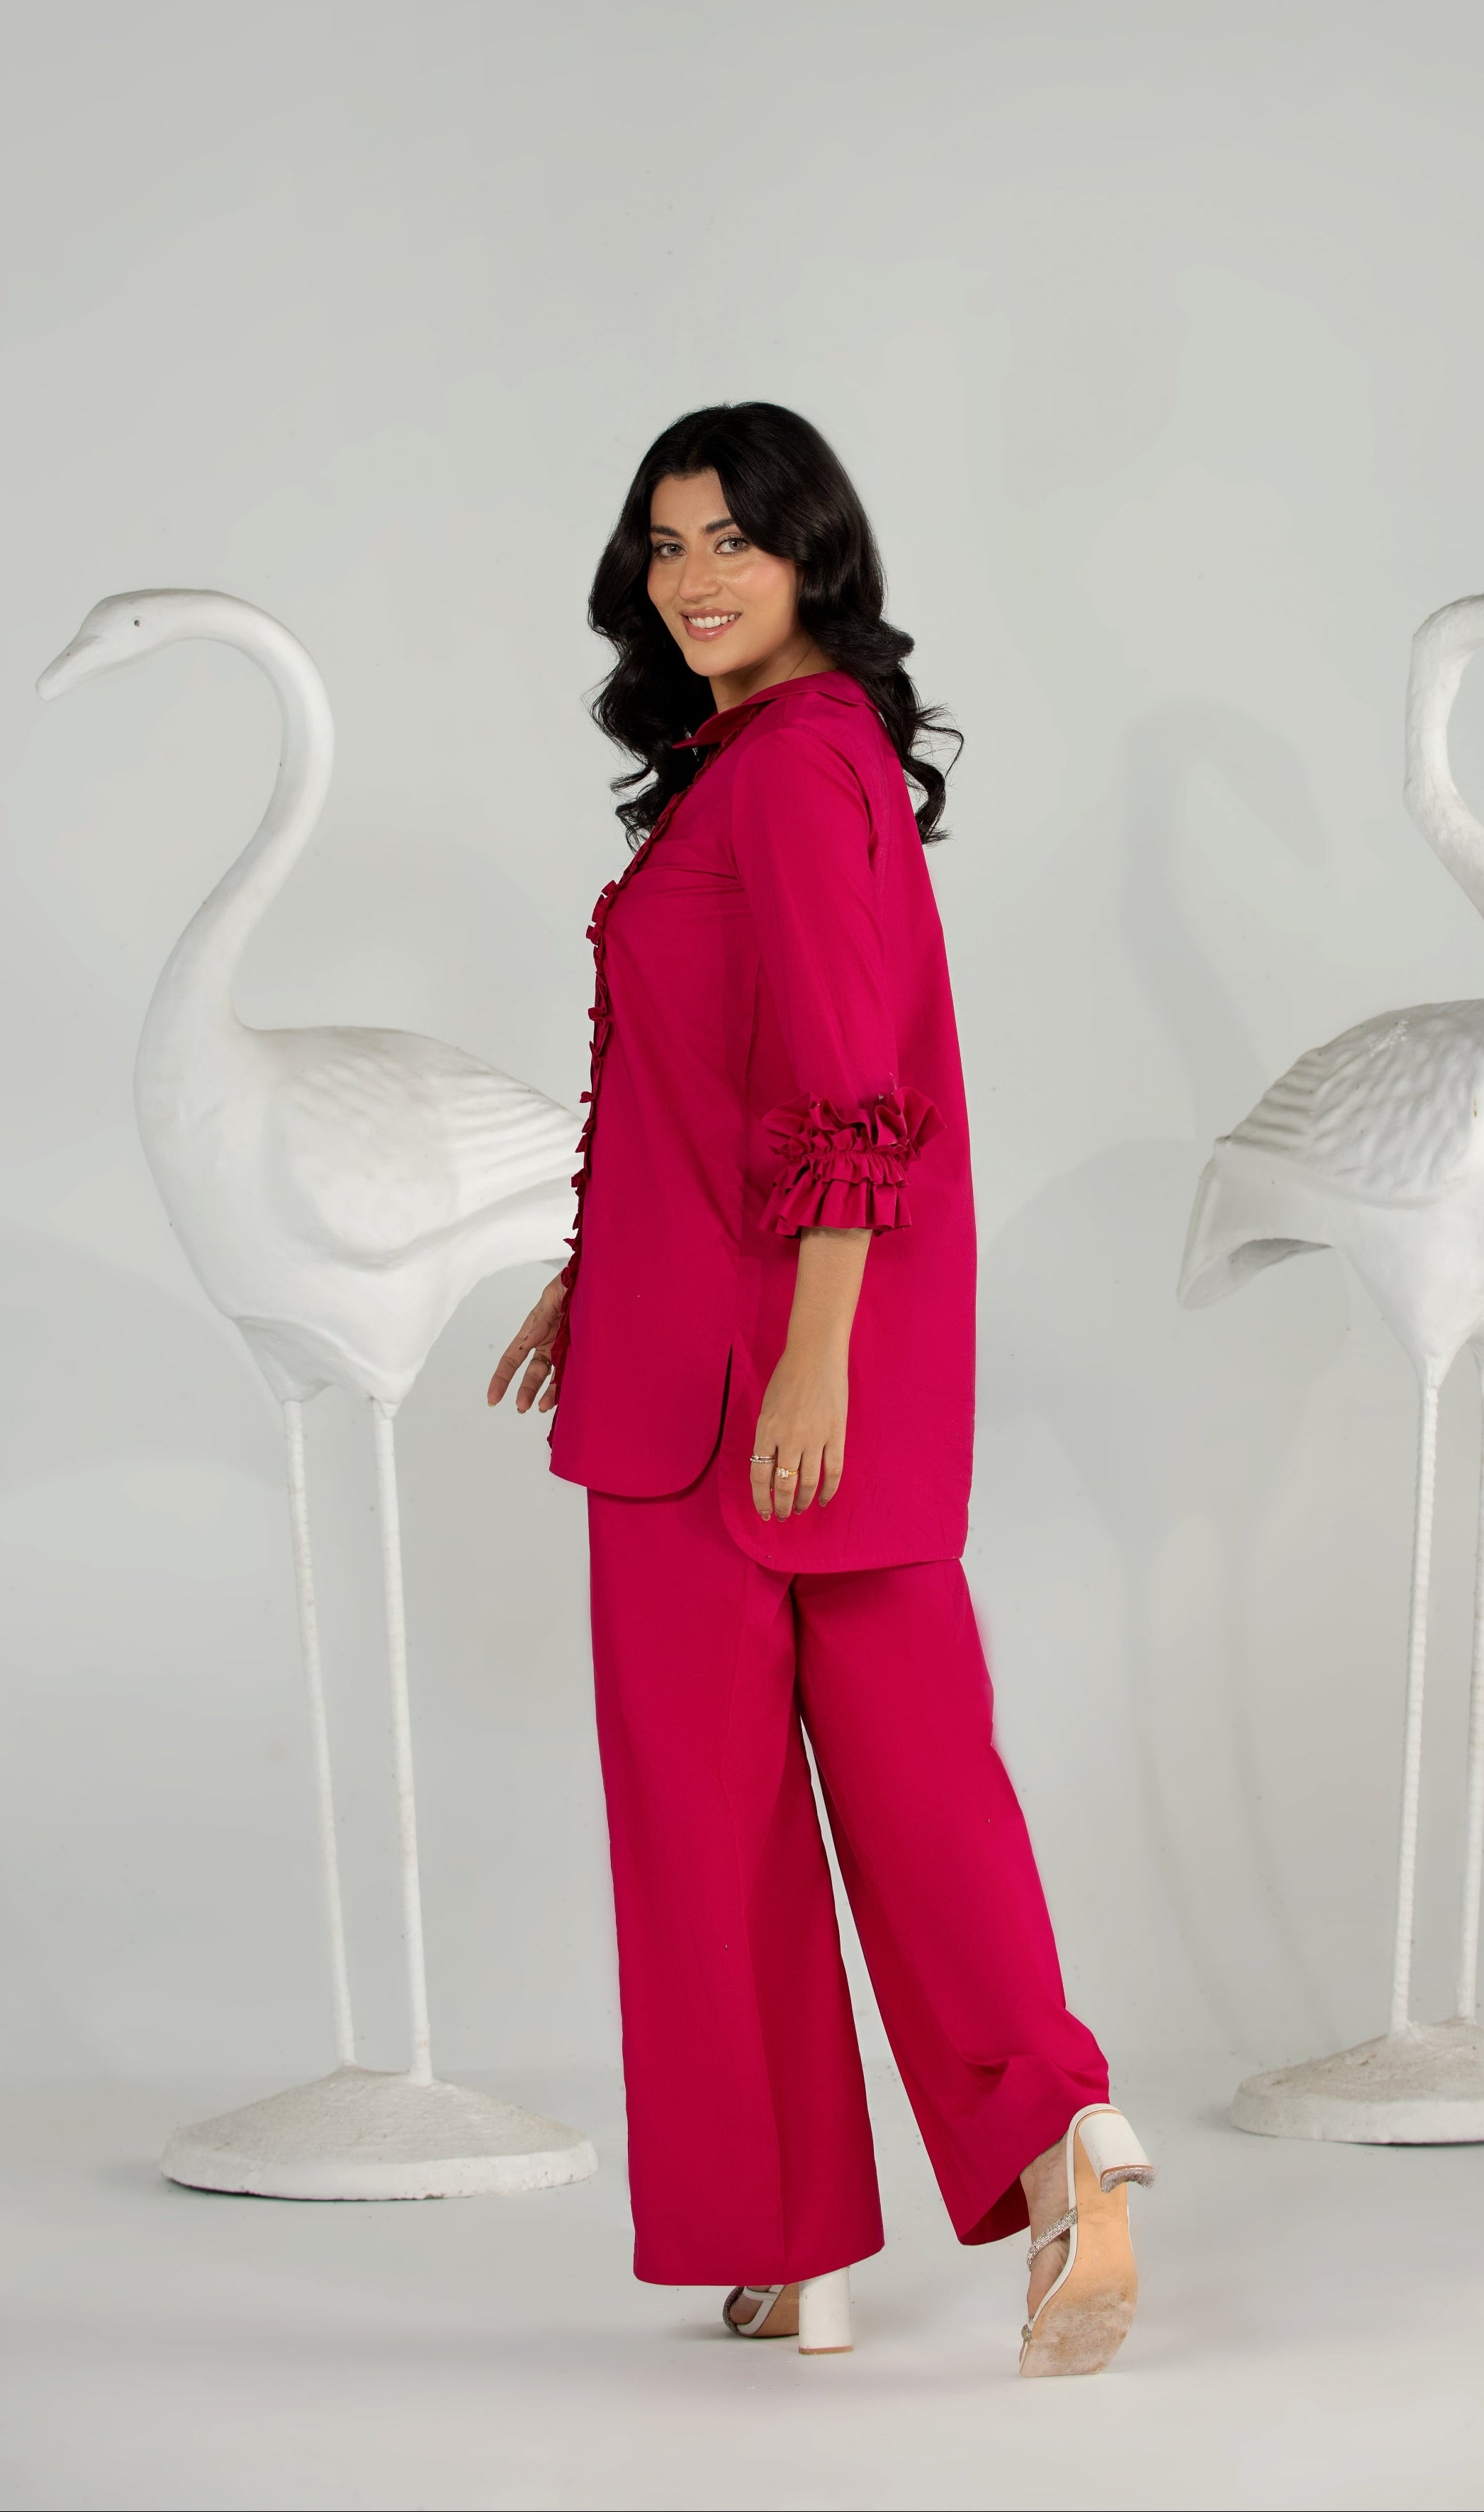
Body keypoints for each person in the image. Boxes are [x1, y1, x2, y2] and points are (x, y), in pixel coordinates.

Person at [489, 403, 1151, 2375]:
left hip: (744, 1397)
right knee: (922, 1779)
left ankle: (785, 2243)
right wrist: (588, 1273)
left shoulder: (787, 774)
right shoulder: (792, 763)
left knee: (711, 1826)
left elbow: (853, 1095)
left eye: (731, 542)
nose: (690, 578)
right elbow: (736, 1090)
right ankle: (1061, 2142)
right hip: (758, 1360)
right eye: (664, 543)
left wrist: (804, 1351)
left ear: (811, 560)